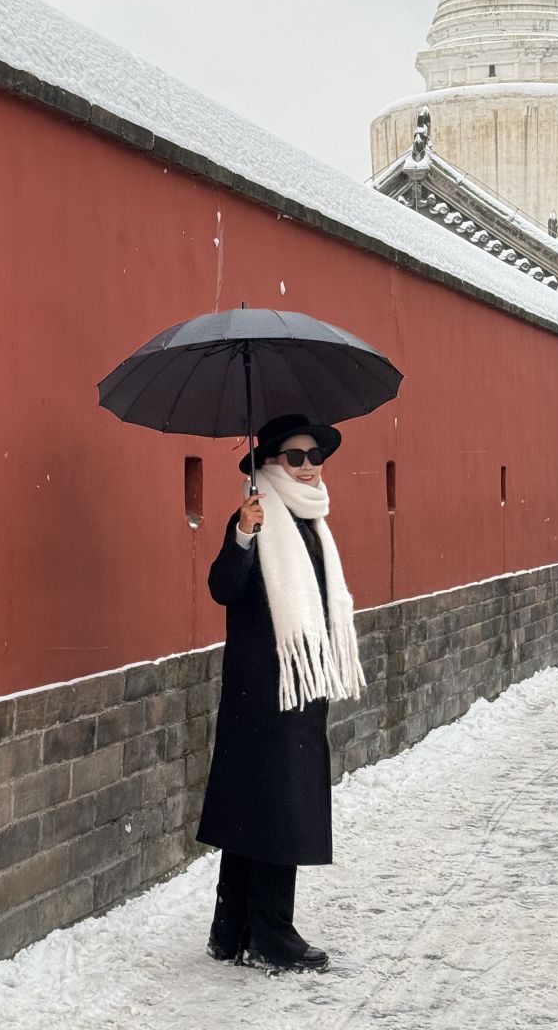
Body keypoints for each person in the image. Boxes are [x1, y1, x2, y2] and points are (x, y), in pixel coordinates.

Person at [196, 413, 366, 974]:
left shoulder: (312, 521)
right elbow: (224, 586)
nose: (310, 465)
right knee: (275, 807)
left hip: (297, 681)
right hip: (262, 688)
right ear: (269, 462)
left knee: (256, 805)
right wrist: (243, 534)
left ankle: (232, 930)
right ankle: (272, 935)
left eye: (316, 455)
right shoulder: (256, 515)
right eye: (296, 456)